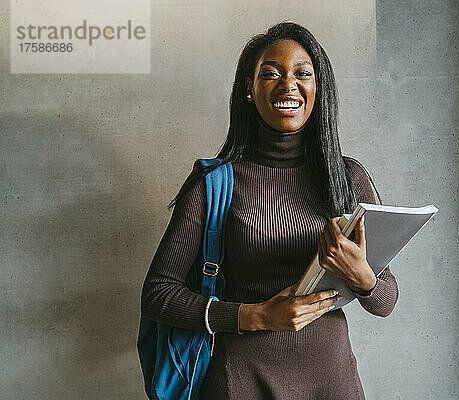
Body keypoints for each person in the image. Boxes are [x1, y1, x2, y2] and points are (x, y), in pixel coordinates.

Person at [140, 21, 399, 399]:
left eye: (302, 73)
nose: (287, 85)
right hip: (239, 382)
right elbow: (157, 294)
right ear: (249, 88)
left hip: (331, 383)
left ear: (317, 87)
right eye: (271, 73)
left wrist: (364, 278)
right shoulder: (213, 184)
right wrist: (256, 316)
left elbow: (387, 300)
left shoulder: (347, 179)